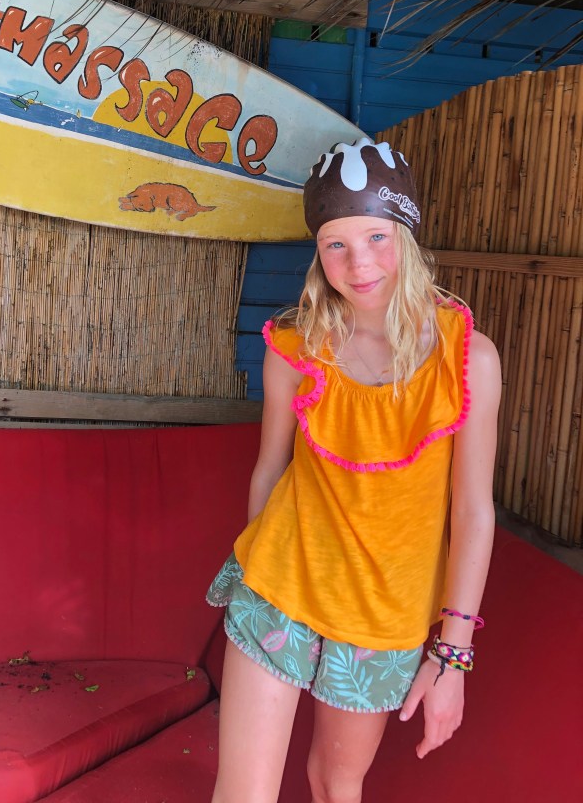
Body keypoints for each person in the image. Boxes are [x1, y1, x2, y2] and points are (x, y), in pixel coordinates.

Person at [207, 136, 502, 803]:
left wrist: (452, 656)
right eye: (336, 243)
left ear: (406, 236)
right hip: (280, 586)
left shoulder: (468, 360)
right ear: (318, 252)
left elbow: (472, 512)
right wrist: (259, 567)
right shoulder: (295, 350)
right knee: (243, 793)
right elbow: (269, 471)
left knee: (335, 783)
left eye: (376, 237)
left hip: (384, 617)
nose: (358, 262)